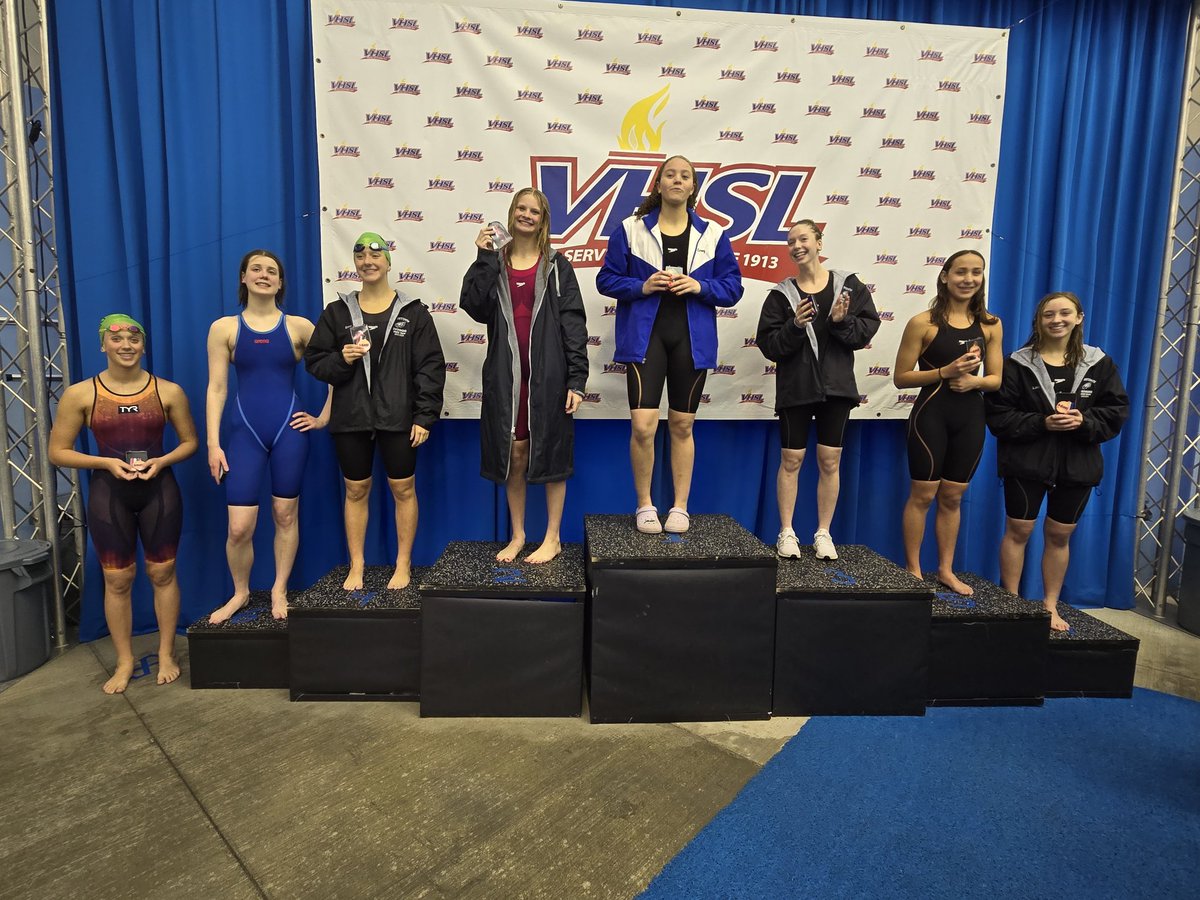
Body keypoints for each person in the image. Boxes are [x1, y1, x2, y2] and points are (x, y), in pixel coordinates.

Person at [48, 315, 198, 693]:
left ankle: (166, 653)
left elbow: (189, 442)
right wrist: (105, 463)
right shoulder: (81, 395)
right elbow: (57, 452)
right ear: (103, 345)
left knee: (163, 573)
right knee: (118, 579)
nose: (126, 344)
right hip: (108, 494)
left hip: (158, 490)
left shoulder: (169, 392)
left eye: (134, 338)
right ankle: (125, 659)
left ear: (144, 346)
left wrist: (161, 461)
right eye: (116, 339)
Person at [596, 154, 744, 533]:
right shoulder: (629, 230)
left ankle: (680, 506)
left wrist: (701, 286)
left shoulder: (713, 234)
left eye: (685, 176)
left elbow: (733, 288)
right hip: (645, 340)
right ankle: (644, 504)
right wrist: (641, 285)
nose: (677, 180)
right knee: (643, 426)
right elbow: (606, 280)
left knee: (681, 424)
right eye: (670, 175)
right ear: (658, 184)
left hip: (691, 342)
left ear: (693, 187)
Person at [304, 232, 445, 591]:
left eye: (375, 254)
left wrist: (424, 416)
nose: (368, 261)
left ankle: (403, 564)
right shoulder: (336, 314)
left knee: (403, 489)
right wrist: (342, 359)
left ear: (388, 262)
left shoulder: (413, 313)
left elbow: (430, 367)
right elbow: (315, 363)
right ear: (355, 263)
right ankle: (357, 565)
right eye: (361, 255)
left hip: (398, 417)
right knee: (355, 491)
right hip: (351, 419)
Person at [985, 291, 1129, 630]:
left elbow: (1116, 411)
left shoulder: (1099, 363)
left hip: (1077, 464)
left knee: (1059, 535)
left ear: (1079, 318)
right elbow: (998, 415)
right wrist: (1041, 422)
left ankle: (1050, 604)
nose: (1057, 320)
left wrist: (1084, 422)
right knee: (1018, 529)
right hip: (1026, 462)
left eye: (1065, 313)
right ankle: (1011, 602)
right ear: (1039, 321)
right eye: (1049, 314)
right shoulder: (1017, 363)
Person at [460, 188, 589, 563]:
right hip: (507, 375)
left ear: (543, 219)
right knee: (515, 454)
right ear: (511, 213)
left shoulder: (555, 265)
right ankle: (518, 535)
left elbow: (574, 323)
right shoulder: (494, 262)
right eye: (521, 208)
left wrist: (577, 380)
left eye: (534, 210)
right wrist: (484, 257)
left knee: (549, 452)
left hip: (549, 376)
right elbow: (473, 305)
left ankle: (552, 537)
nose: (526, 215)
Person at [206, 250, 330, 623]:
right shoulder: (224, 328)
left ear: (280, 282)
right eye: (255, 269)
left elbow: (336, 370)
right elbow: (216, 388)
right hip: (244, 434)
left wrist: (324, 417)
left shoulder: (300, 327)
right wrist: (213, 444)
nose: (263, 275)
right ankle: (241, 592)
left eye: (271, 271)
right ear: (243, 277)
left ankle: (279, 589)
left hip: (288, 431)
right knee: (239, 527)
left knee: (284, 514)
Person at [756, 219, 880, 560]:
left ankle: (823, 533)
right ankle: (786, 532)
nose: (798, 245)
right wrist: (795, 325)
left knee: (830, 460)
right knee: (791, 458)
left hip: (836, 388)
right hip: (796, 388)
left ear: (819, 243)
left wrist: (842, 321)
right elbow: (770, 346)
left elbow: (863, 333)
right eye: (791, 241)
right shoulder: (782, 295)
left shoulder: (848, 286)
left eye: (804, 238)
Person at [894, 250, 1003, 594]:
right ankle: (913, 569)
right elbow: (901, 377)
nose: (968, 279)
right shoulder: (922, 323)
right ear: (944, 276)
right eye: (960, 272)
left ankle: (945, 569)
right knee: (923, 494)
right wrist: (944, 372)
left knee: (953, 496)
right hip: (931, 415)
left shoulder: (990, 324)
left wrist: (975, 382)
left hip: (970, 417)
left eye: (976, 272)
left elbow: (997, 378)